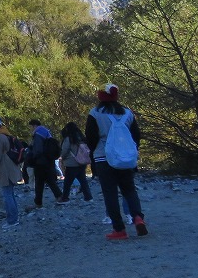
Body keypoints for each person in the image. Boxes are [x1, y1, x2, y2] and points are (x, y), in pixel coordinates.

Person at [86, 83, 148, 241]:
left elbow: (91, 138)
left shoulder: (95, 113)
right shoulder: (127, 113)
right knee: (129, 190)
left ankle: (119, 229)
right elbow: (136, 135)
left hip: (103, 158)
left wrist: (93, 153)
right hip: (125, 158)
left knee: (110, 193)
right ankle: (138, 218)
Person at [0, 117, 22, 229]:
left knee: (7, 195)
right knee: (10, 194)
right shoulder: (7, 135)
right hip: (11, 167)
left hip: (4, 169)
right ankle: (15, 218)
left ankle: (12, 220)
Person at [26, 118, 63, 207]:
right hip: (48, 160)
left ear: (34, 125)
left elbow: (38, 149)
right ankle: (59, 196)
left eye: (31, 127)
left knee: (39, 182)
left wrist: (32, 157)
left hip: (40, 162)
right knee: (50, 180)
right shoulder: (46, 132)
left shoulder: (38, 133)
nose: (31, 129)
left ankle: (38, 202)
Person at [58, 121, 94, 202]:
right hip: (82, 162)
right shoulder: (81, 137)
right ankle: (88, 197)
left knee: (67, 182)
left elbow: (65, 150)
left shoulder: (68, 138)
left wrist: (62, 157)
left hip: (72, 163)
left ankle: (65, 198)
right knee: (83, 181)